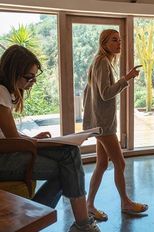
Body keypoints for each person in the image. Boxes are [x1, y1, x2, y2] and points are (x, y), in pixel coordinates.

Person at [0, 44, 100, 232]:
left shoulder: (4, 92)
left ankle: (77, 223)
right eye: (29, 77)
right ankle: (80, 224)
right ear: (13, 72)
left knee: (69, 158)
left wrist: (33, 139)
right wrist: (36, 143)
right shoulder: (1, 92)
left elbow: (8, 135)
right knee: (68, 164)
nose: (32, 82)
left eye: (34, 77)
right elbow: (12, 139)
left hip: (6, 154)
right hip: (3, 159)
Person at [83, 29, 148, 222]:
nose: (119, 44)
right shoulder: (102, 62)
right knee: (120, 163)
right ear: (104, 43)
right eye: (114, 40)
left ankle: (89, 205)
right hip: (104, 125)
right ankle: (125, 203)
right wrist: (126, 78)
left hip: (99, 123)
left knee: (102, 164)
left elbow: (93, 94)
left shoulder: (100, 62)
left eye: (120, 40)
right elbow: (105, 93)